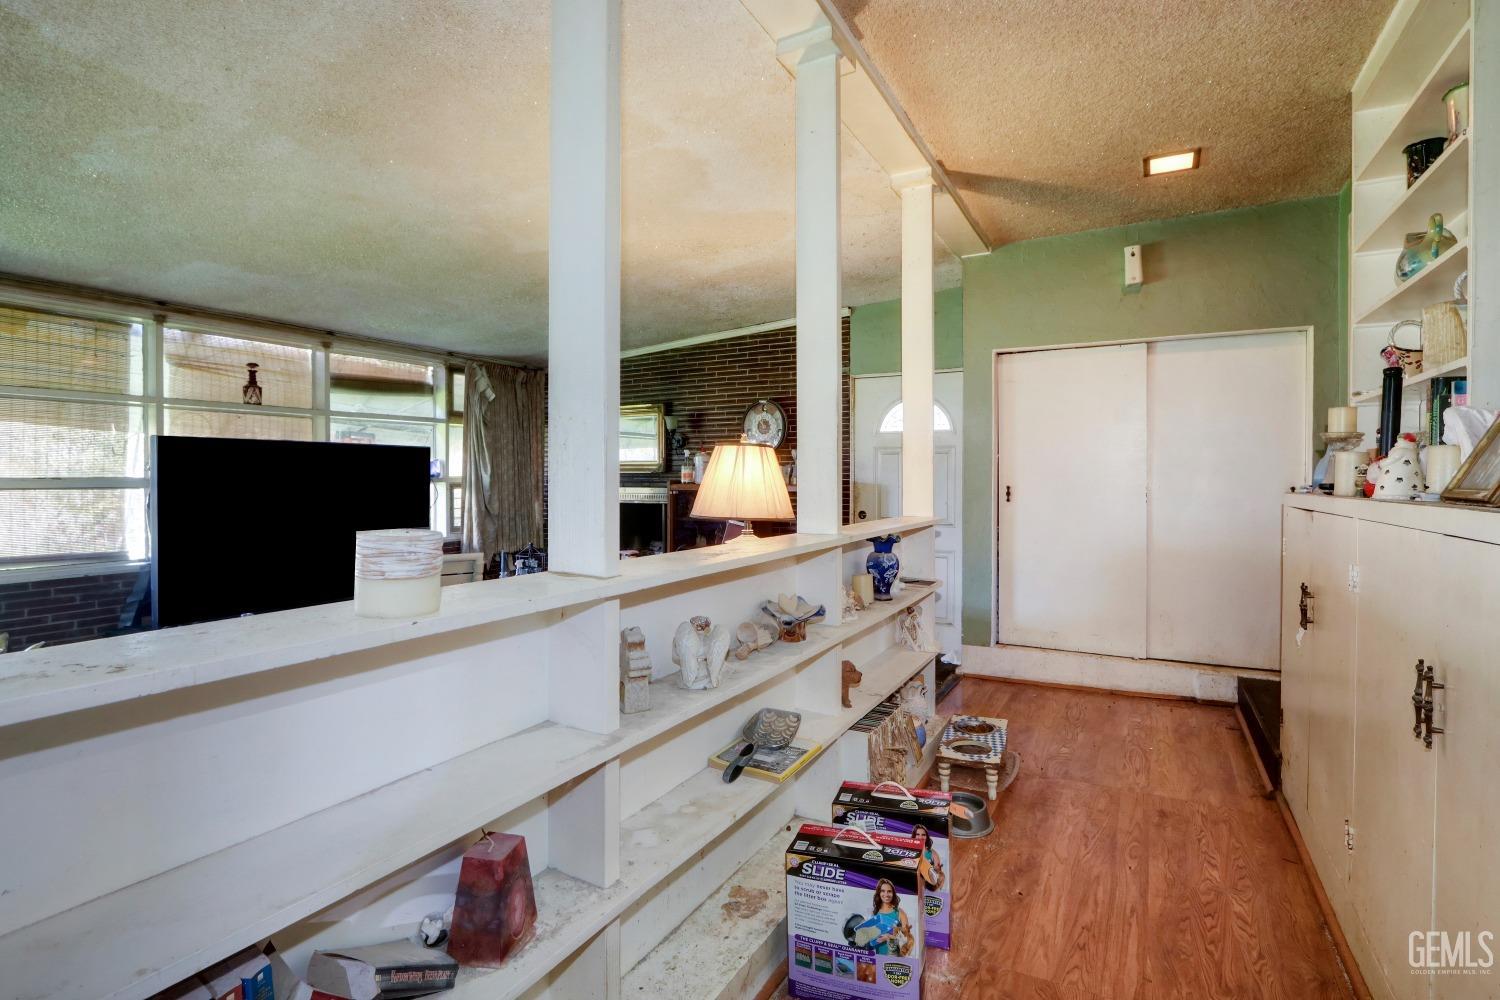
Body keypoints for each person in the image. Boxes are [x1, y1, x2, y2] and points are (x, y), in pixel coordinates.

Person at [868, 878, 913, 956]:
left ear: (893, 893)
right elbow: (871, 939)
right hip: (879, 957)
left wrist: (889, 937)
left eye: (889, 891)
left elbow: (908, 940)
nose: (886, 894)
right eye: (883, 891)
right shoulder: (874, 913)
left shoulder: (900, 913)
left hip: (896, 958)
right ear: (879, 893)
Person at [913, 824, 945, 891]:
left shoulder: (933, 853)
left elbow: (938, 872)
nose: (920, 837)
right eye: (917, 834)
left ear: (927, 837)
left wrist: (938, 870)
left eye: (923, 835)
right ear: (914, 836)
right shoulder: (909, 850)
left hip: (928, 883)